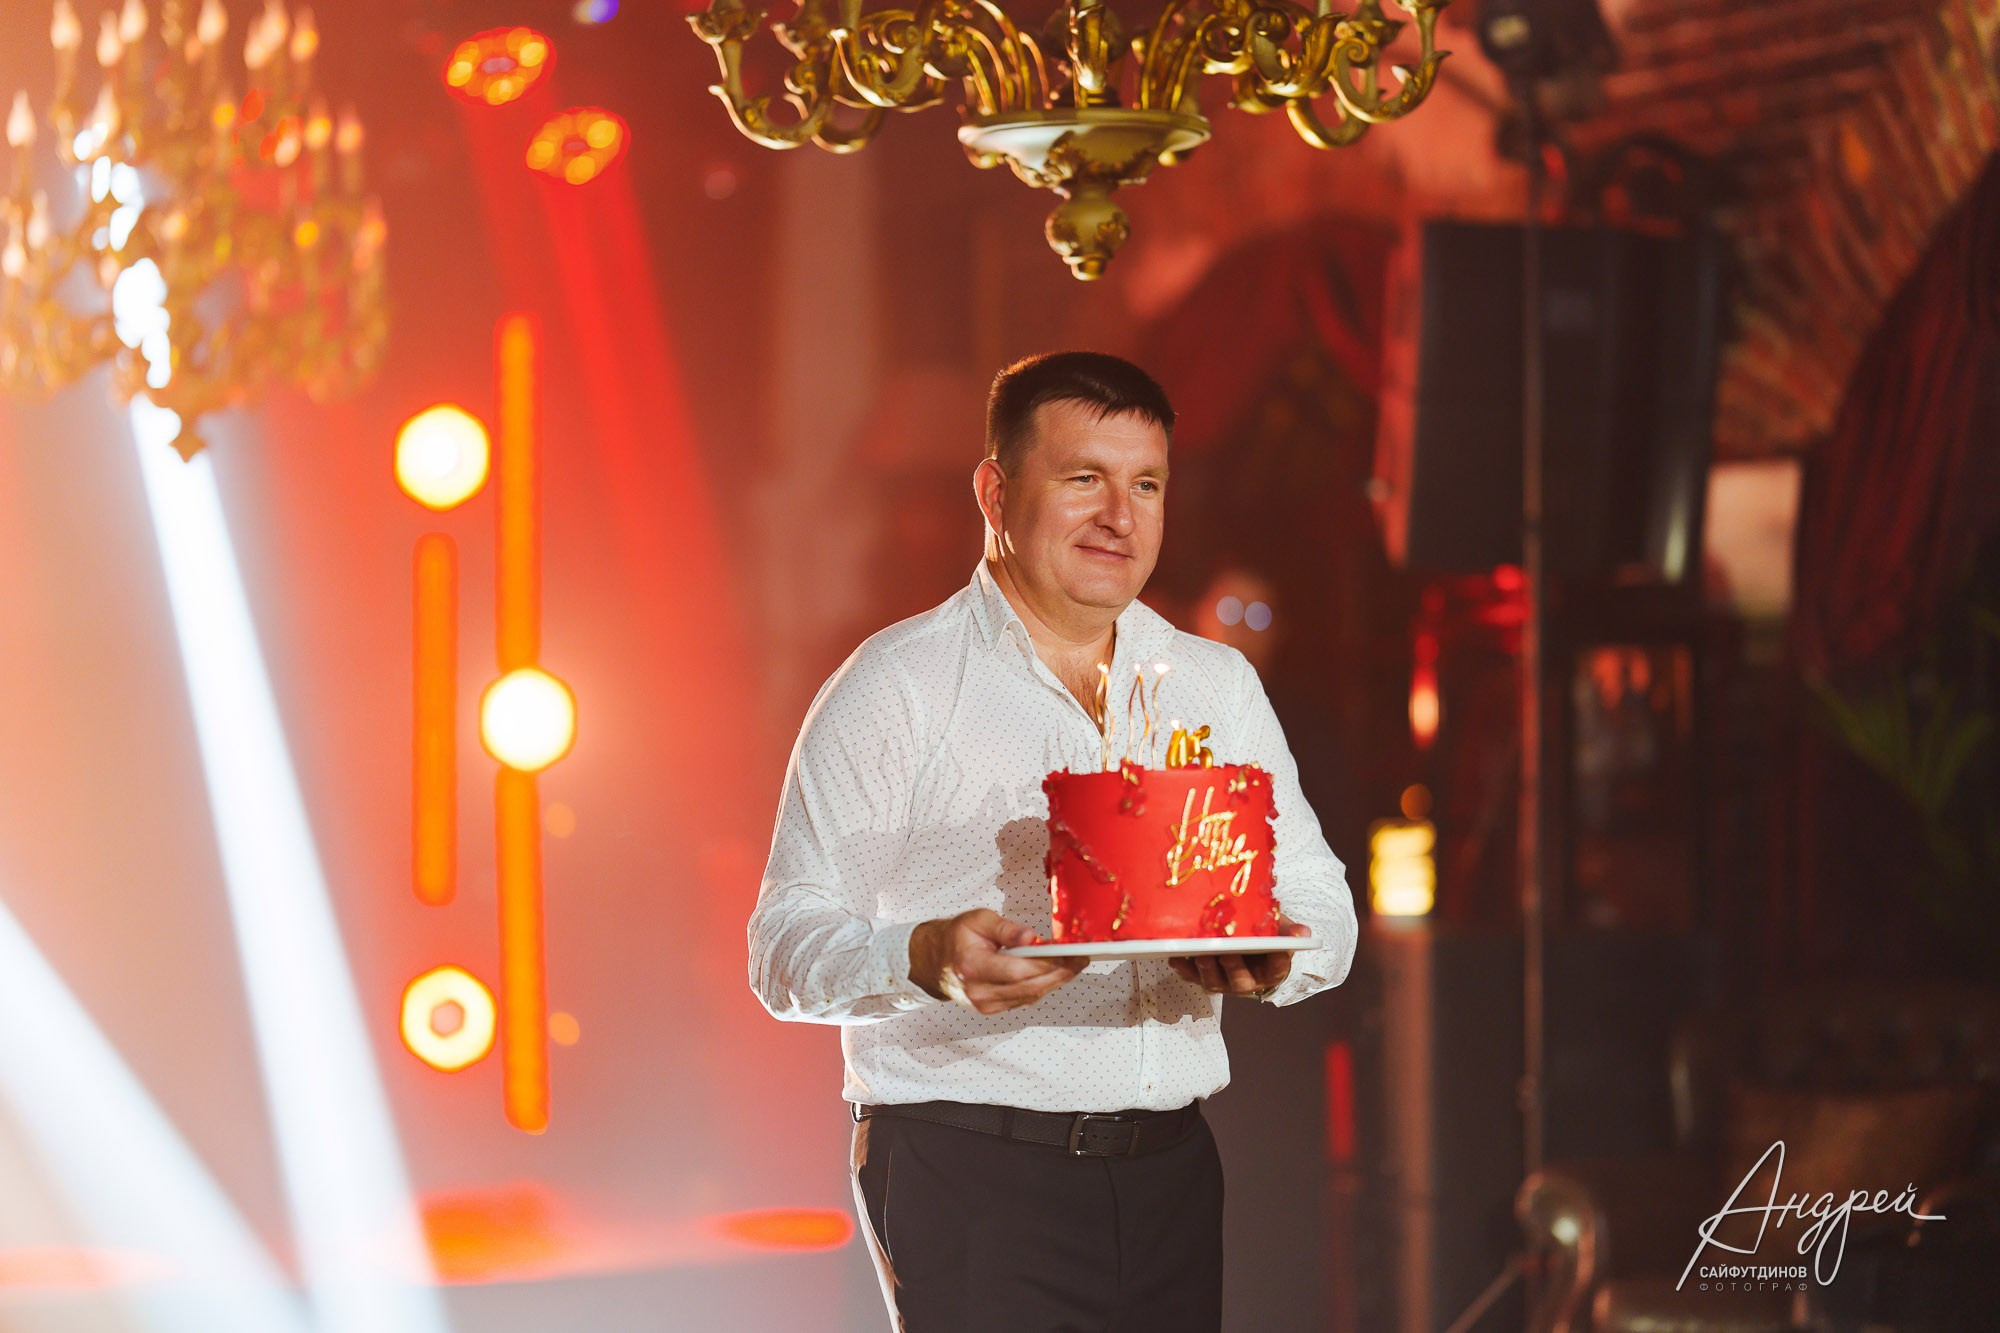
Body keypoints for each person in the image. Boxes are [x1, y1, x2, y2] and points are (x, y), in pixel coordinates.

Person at [749, 351, 1358, 1331]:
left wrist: (1274, 952)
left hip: (1172, 1169)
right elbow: (781, 949)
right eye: (1084, 478)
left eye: (1146, 484)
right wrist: (923, 957)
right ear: (995, 493)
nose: (1120, 515)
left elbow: (1326, 907)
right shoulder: (898, 686)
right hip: (971, 1170)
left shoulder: (1216, 685)